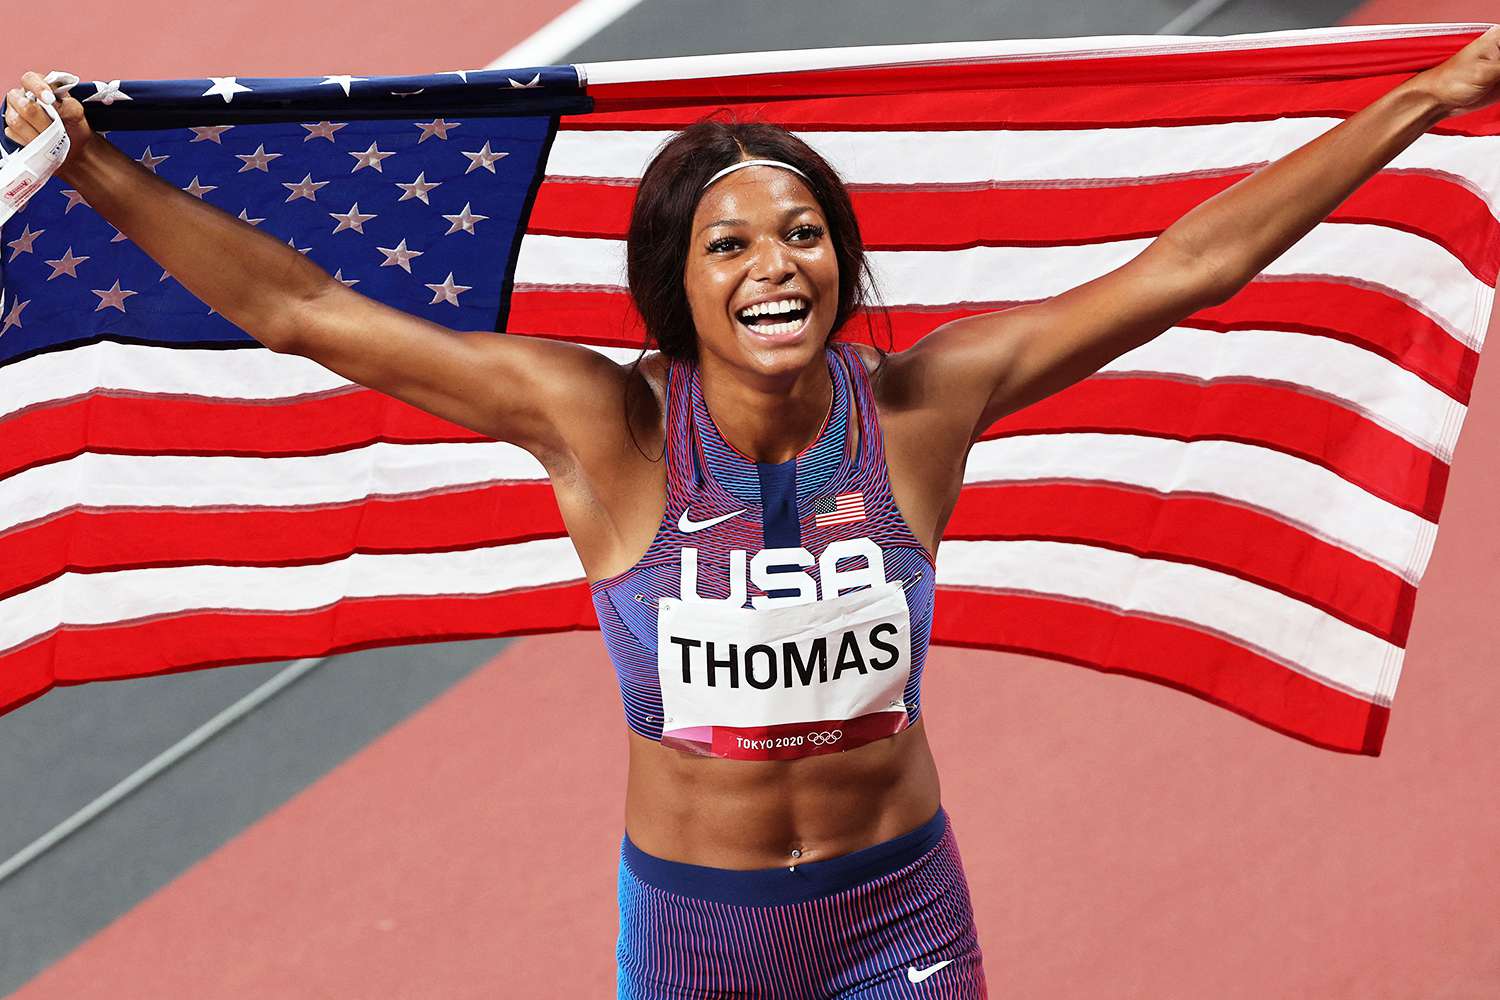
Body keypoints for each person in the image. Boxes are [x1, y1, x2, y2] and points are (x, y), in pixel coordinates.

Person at [7, 28, 1500, 997]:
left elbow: (1186, 270)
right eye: (729, 243)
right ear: (679, 283)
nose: (773, 262)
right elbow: (309, 308)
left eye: (801, 232)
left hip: (900, 921)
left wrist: (1424, 100)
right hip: (698, 944)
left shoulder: (920, 409)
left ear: (841, 263)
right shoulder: (603, 424)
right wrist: (99, 170)